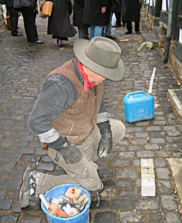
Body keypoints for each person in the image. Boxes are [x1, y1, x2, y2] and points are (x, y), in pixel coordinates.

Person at [19, 36, 126, 209]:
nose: (105, 79)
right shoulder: (61, 84)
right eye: (104, 74)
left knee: (118, 129)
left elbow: (100, 104)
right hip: (66, 142)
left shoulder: (94, 77)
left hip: (86, 132)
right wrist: (65, 148)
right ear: (90, 65)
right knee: (94, 185)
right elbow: (36, 122)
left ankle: (84, 166)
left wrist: (105, 131)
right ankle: (38, 182)